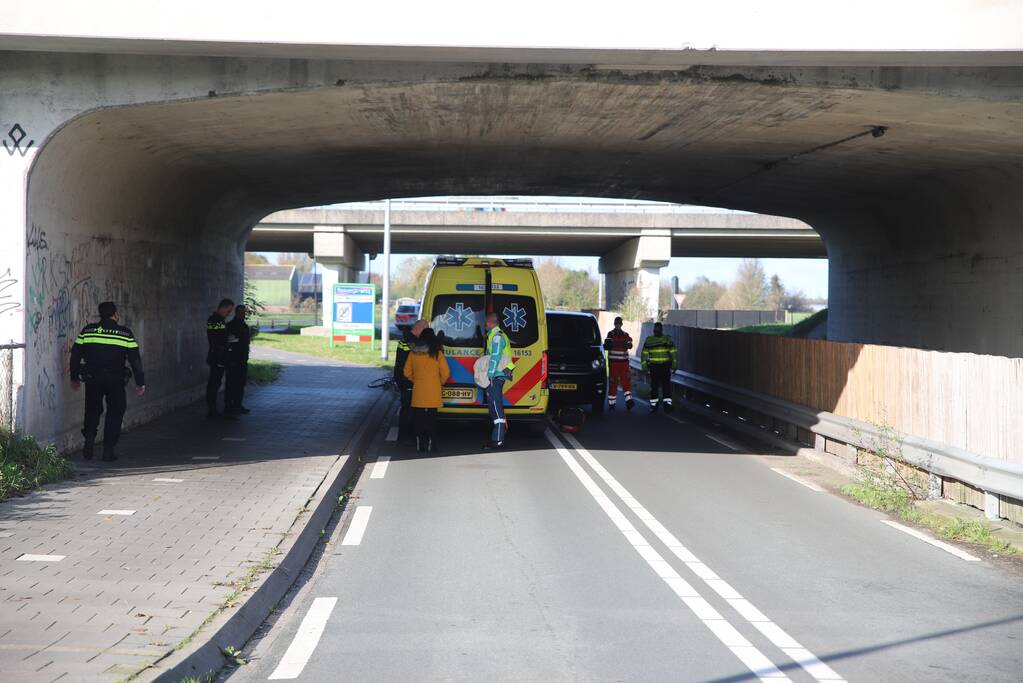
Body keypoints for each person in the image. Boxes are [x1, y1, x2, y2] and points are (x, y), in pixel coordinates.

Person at [69, 301, 145, 461]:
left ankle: (89, 440)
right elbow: (135, 360)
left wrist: (74, 377)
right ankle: (108, 450)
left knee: (92, 410)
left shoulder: (88, 331)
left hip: (93, 379)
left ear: (100, 314)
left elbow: (75, 355)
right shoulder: (125, 333)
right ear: (115, 315)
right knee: (115, 412)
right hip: (115, 379)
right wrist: (140, 381)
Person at [402, 328, 449, 453]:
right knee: (432, 419)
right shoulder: (437, 353)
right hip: (433, 391)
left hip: (419, 390)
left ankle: (419, 443)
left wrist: (416, 380)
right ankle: (431, 444)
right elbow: (446, 372)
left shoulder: (413, 353)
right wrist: (439, 383)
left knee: (419, 418)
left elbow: (406, 372)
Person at [483, 311, 515, 449]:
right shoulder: (495, 336)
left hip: (496, 375)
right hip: (499, 374)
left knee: (495, 407)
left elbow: (495, 356)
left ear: (490, 323)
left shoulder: (496, 337)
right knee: (495, 406)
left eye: (486, 323)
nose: (485, 325)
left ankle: (497, 440)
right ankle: (498, 437)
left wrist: (490, 374)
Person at [394, 319, 428, 443]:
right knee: (407, 409)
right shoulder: (409, 341)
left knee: (409, 408)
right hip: (406, 380)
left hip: (406, 378)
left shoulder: (409, 338)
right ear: (421, 328)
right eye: (426, 329)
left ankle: (406, 436)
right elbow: (418, 351)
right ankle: (404, 438)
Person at [206, 298, 235, 419]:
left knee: (216, 383)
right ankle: (212, 411)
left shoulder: (220, 320)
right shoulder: (215, 320)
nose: (229, 313)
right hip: (217, 357)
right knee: (214, 384)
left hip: (220, 356)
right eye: (228, 311)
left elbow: (219, 336)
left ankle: (214, 411)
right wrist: (227, 340)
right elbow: (215, 338)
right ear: (222, 308)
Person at [641, 322, 677, 413]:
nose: (656, 331)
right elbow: (644, 354)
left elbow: (673, 352)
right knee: (655, 386)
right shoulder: (650, 340)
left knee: (665, 386)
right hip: (655, 366)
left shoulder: (667, 340)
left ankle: (666, 406)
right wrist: (644, 366)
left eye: (658, 330)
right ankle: (654, 406)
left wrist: (674, 365)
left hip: (664, 366)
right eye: (655, 330)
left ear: (661, 330)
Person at [225, 304, 253, 415]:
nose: (243, 314)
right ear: (236, 312)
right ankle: (229, 407)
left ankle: (237, 405)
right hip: (233, 360)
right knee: (231, 384)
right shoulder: (230, 326)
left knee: (241, 383)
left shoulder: (244, 326)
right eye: (241, 312)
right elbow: (230, 342)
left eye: (244, 312)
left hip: (242, 359)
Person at [604, 316, 634, 411]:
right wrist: (622, 344)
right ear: (614, 324)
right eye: (616, 323)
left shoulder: (626, 335)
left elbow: (630, 345)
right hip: (613, 365)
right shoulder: (610, 334)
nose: (618, 325)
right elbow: (607, 346)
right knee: (613, 383)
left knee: (626, 382)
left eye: (619, 323)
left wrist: (617, 344)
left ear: (621, 324)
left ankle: (629, 401)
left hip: (624, 364)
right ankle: (612, 403)